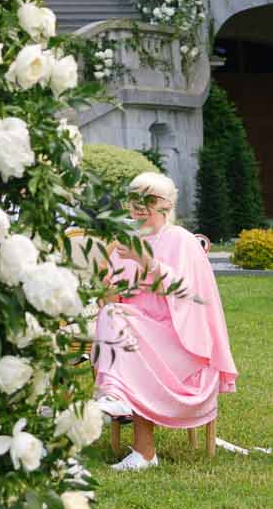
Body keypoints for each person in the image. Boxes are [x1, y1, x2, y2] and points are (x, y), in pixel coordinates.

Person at [93, 168, 237, 470]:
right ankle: (134, 433)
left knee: (129, 341)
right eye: (133, 198)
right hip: (141, 332)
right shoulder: (125, 240)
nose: (138, 205)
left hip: (181, 341)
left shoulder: (181, 240)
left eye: (148, 198)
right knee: (113, 315)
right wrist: (107, 288)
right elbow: (114, 294)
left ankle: (141, 446)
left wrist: (143, 261)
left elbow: (188, 295)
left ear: (166, 205)